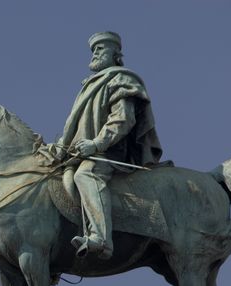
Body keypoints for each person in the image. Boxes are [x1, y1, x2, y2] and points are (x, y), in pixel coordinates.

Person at [54, 31, 163, 259]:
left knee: (86, 175)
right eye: (93, 49)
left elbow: (123, 119)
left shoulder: (121, 79)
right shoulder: (89, 85)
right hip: (81, 153)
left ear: (116, 54)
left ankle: (101, 238)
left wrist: (96, 144)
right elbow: (76, 128)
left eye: (100, 49)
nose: (95, 53)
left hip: (110, 152)